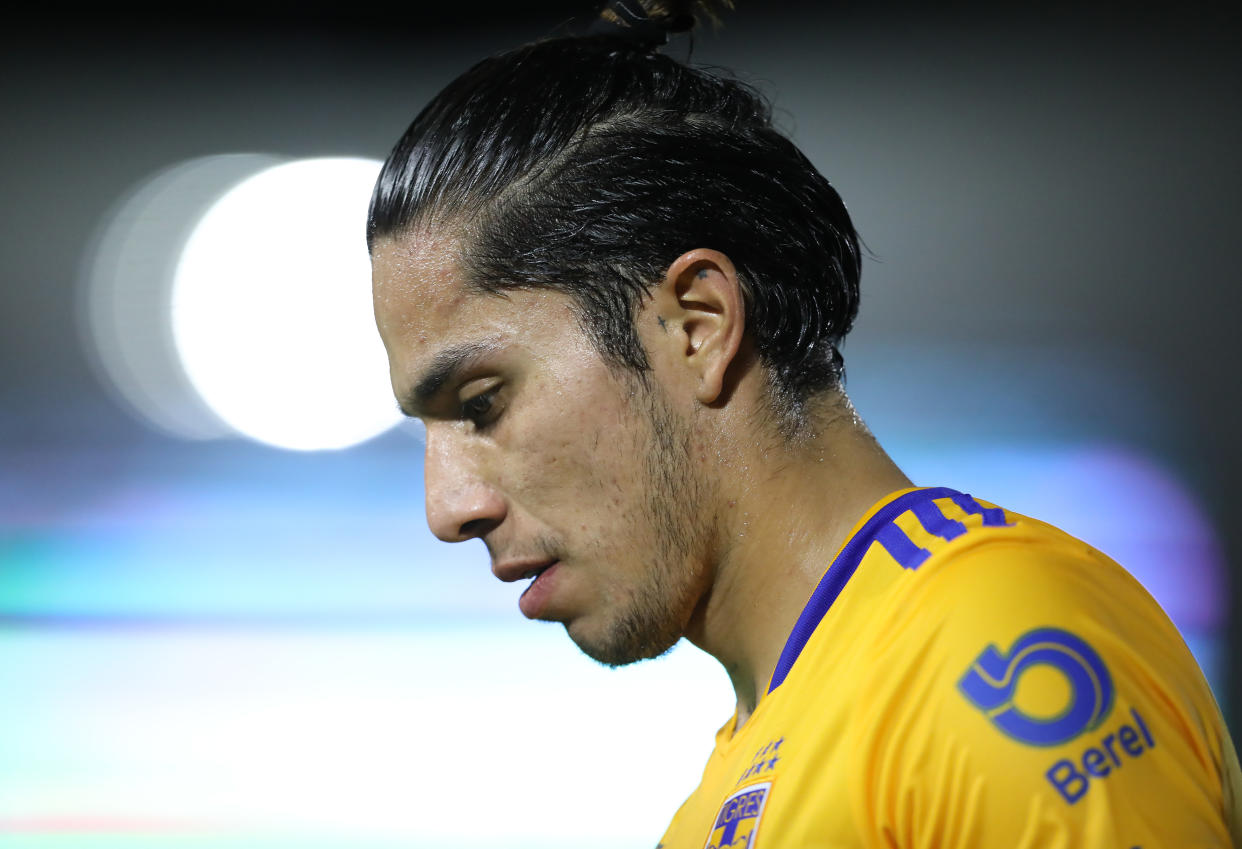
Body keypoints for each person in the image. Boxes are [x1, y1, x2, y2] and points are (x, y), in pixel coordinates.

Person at [365, 1, 1241, 845]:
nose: (448, 507)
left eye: (481, 405)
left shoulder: (990, 652)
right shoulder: (741, 777)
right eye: (428, 430)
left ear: (697, 326)